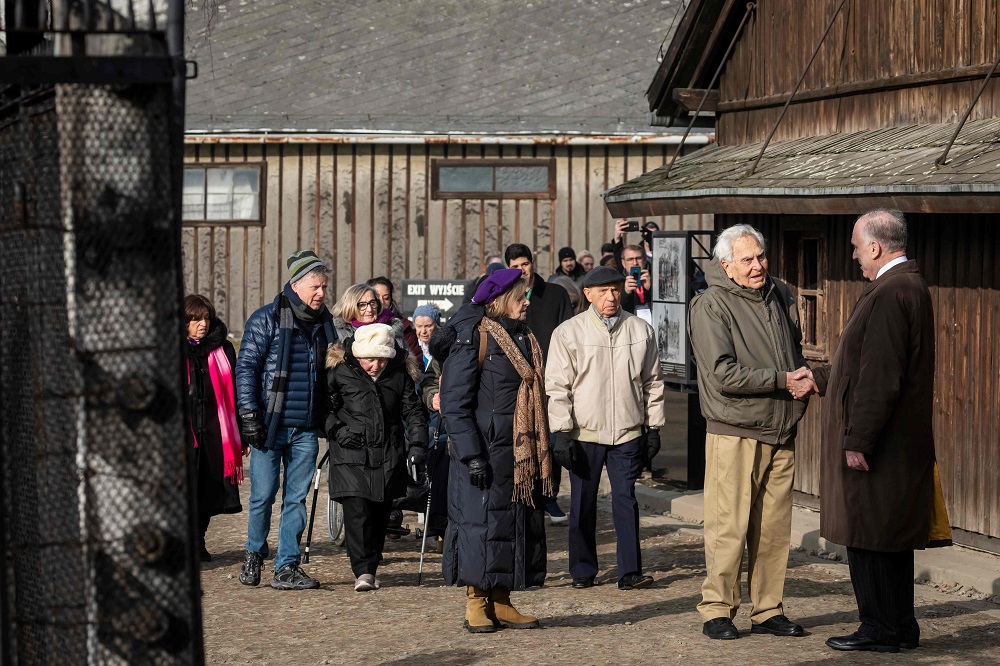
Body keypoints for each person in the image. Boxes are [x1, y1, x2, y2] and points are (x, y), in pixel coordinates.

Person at [801, 210, 944, 653]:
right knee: (889, 538)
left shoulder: (891, 291)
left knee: (869, 537)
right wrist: (822, 378)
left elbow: (880, 376)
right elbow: (863, 364)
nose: (854, 255)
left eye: (856, 246)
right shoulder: (905, 287)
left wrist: (859, 440)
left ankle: (881, 627)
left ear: (876, 247)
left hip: (881, 443)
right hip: (895, 442)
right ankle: (899, 627)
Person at [687, 224, 812, 640]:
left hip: (780, 426)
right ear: (727, 265)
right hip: (735, 428)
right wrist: (782, 380)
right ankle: (717, 609)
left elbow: (794, 346)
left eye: (760, 256)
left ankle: (768, 609)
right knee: (729, 525)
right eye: (748, 259)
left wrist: (800, 385)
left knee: (774, 529)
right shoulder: (711, 305)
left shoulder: (778, 293)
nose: (758, 266)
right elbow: (721, 373)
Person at [439, 268, 551, 633]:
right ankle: (475, 600)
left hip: (517, 454)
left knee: (510, 524)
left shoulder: (524, 337)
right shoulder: (474, 337)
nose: (526, 303)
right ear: (499, 300)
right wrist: (471, 454)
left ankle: (501, 601)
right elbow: (455, 403)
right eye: (520, 297)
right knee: (479, 525)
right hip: (484, 453)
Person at [546, 266, 665, 591]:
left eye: (615, 290)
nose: (611, 296)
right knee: (583, 502)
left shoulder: (640, 330)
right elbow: (557, 386)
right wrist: (562, 431)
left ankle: (630, 571)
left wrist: (654, 426)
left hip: (628, 431)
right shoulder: (569, 332)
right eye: (603, 291)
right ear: (588, 294)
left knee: (626, 500)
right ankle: (583, 569)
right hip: (585, 433)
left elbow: (653, 382)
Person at [236, 250, 336, 590]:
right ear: (296, 285)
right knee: (263, 495)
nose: (321, 293)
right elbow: (246, 367)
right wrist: (249, 414)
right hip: (269, 424)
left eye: (324, 286)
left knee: (296, 498)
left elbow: (332, 372)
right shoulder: (265, 318)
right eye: (315, 286)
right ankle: (253, 553)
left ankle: (287, 566)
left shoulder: (325, 324)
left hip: (305, 428)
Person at [325, 323, 428, 591]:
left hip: (387, 452)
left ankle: (370, 562)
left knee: (380, 511)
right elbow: (323, 407)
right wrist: (337, 429)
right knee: (357, 510)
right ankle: (363, 571)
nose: (376, 366)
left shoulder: (398, 373)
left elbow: (414, 411)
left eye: (382, 360)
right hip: (351, 452)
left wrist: (417, 445)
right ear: (359, 355)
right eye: (370, 360)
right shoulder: (339, 371)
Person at [505, 243, 575, 523]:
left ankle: (550, 496)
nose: (521, 270)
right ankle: (525, 493)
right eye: (514, 266)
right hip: (517, 379)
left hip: (550, 376)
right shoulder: (507, 296)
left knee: (551, 437)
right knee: (523, 437)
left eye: (524, 264)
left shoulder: (555, 294)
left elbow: (568, 333)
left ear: (533, 264)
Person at [183, 294, 246, 562]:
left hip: (215, 431)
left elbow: (236, 392)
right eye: (196, 319)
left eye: (206, 318)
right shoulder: (171, 350)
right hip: (184, 432)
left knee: (208, 490)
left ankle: (199, 541)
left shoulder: (223, 349)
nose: (202, 324)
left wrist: (242, 432)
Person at [413, 304, 451, 545]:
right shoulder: (412, 349)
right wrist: (431, 396)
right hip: (425, 412)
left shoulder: (446, 346)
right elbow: (427, 383)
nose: (424, 331)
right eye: (420, 326)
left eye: (429, 326)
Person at [332, 283, 412, 356]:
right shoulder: (339, 334)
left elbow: (404, 361)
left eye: (372, 303)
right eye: (362, 305)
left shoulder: (392, 330)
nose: (370, 309)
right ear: (350, 307)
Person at [367, 276, 422, 360]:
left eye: (386, 298)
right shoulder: (355, 325)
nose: (382, 302)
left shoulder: (404, 327)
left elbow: (418, 359)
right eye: (377, 297)